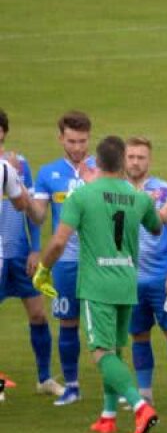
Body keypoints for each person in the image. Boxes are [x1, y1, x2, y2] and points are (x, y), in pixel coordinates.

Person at [33, 135, 160, 433]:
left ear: (97, 162)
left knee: (101, 352)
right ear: (122, 164)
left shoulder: (83, 196)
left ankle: (140, 406)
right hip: (126, 281)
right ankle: (108, 415)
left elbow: (60, 240)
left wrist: (43, 270)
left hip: (97, 285)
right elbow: (156, 227)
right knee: (115, 349)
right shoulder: (138, 197)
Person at [30, 111, 95, 406]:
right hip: (66, 262)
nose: (78, 147)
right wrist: (15, 185)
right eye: (72, 141)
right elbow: (39, 215)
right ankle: (72, 385)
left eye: (82, 141)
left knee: (106, 326)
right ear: (60, 138)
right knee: (68, 322)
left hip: (98, 260)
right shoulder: (48, 173)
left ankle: (114, 388)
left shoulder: (102, 169)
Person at [124, 137, 167, 407]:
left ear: (149, 161)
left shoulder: (165, 191)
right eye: (131, 157)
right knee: (138, 334)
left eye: (141, 157)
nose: (135, 162)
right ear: (123, 159)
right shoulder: (116, 192)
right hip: (128, 279)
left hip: (161, 277)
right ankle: (145, 394)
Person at [0, 110, 58, 397]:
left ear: (4, 132)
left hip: (19, 253)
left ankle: (44, 378)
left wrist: (35, 248)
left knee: (38, 314)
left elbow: (32, 210)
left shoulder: (18, 164)